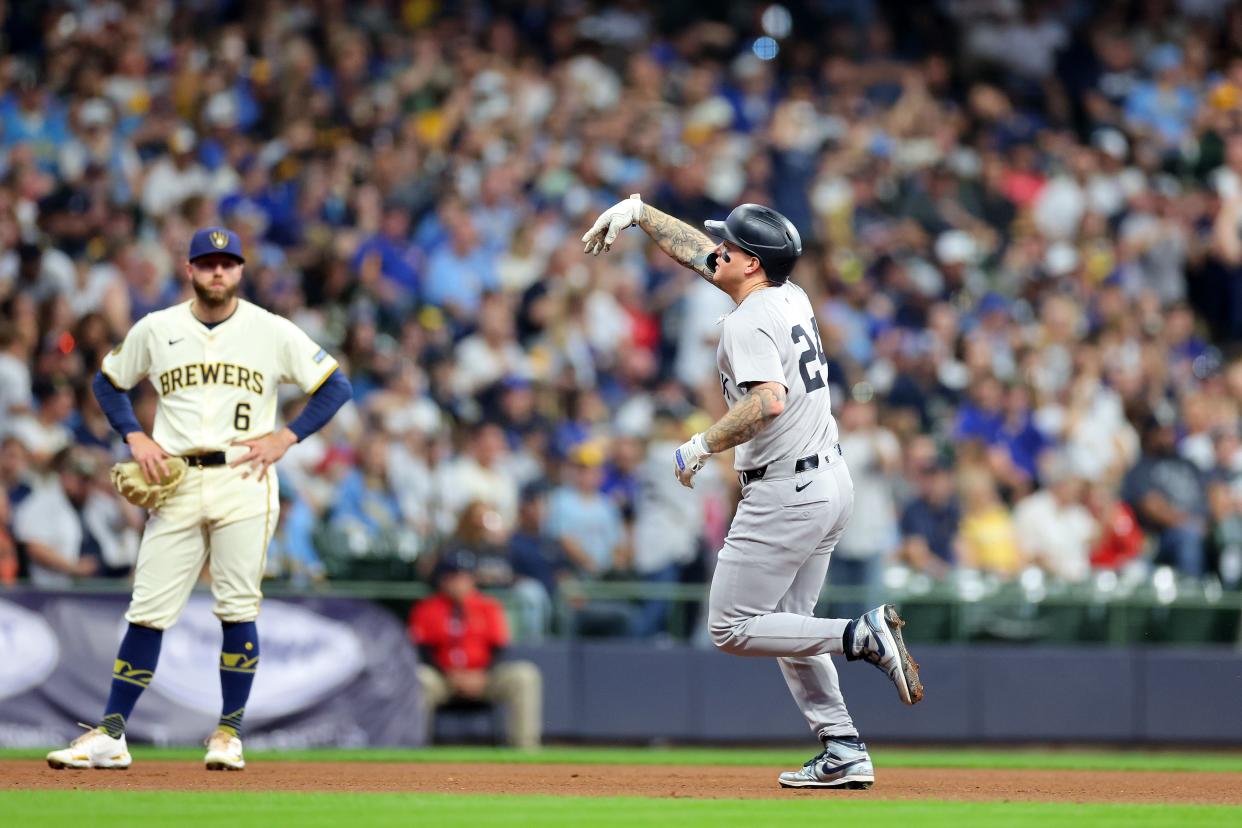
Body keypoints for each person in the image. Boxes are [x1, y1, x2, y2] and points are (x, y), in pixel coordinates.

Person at [583, 195, 923, 790]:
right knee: (790, 625)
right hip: (828, 483)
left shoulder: (746, 320)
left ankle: (858, 636)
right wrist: (641, 214)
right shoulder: (789, 295)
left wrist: (703, 443)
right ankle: (842, 746)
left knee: (733, 626)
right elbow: (701, 257)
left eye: (732, 245)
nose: (718, 249)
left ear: (752, 264)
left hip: (786, 488)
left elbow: (767, 400)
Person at [46, 227, 351, 771]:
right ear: (189, 270)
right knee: (148, 609)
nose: (218, 272)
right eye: (207, 262)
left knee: (237, 606)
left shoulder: (271, 330)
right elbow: (107, 382)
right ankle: (112, 734)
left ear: (240, 270)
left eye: (227, 263)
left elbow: (335, 385)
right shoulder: (157, 328)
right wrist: (134, 436)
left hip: (244, 476)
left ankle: (228, 733)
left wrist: (287, 435)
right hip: (177, 479)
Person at [409, 550, 543, 749]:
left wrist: (481, 675)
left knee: (524, 675)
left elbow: (499, 648)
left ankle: (525, 750)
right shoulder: (427, 608)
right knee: (420, 678)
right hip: (443, 680)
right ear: (443, 579)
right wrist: (450, 675)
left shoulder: (488, 606)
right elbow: (422, 651)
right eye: (454, 576)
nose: (460, 581)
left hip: (483, 678)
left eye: (465, 576)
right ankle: (413, 747)